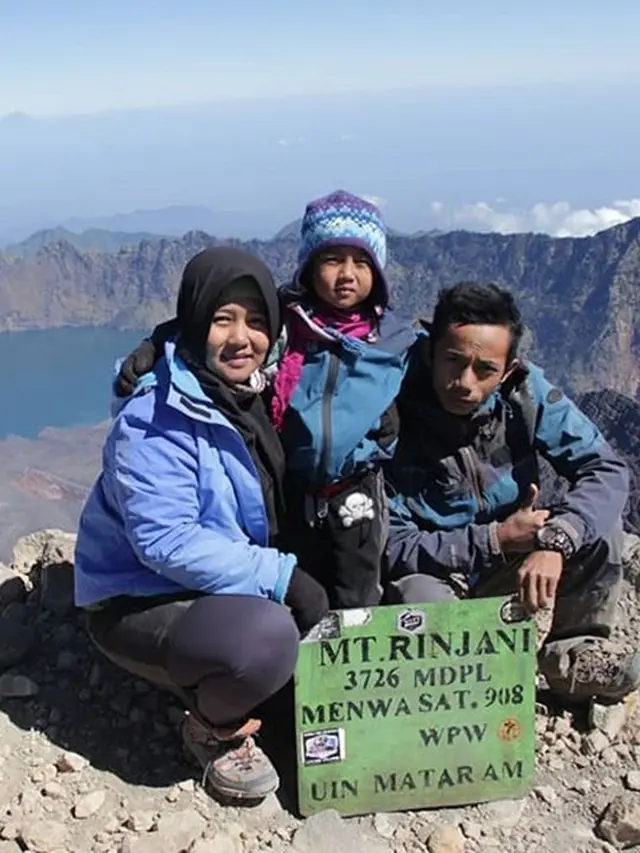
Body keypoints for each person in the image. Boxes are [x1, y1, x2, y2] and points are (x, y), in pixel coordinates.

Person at [74, 247, 329, 801]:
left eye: (257, 320)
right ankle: (212, 729)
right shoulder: (155, 417)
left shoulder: (250, 397)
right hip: (137, 598)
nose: (243, 338)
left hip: (210, 585)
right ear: (194, 322)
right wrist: (281, 576)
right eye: (222, 319)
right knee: (266, 642)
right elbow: (164, 540)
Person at [116, 191, 417, 611]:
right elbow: (209, 315)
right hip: (289, 482)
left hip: (356, 488)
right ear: (309, 266)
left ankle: (351, 666)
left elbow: (459, 373)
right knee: (300, 576)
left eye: (362, 262)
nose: (347, 274)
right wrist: (155, 343)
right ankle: (296, 665)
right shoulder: (283, 320)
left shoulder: (397, 340)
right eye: (332, 260)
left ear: (378, 273)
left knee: (356, 587)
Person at [384, 281, 638, 703]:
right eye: (453, 361)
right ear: (430, 352)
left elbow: (606, 469)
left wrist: (556, 540)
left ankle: (573, 658)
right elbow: (389, 544)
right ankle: (456, 690)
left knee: (601, 524)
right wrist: (494, 539)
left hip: (511, 559)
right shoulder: (391, 406)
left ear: (508, 369)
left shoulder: (524, 393)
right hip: (435, 569)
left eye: (484, 370)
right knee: (419, 599)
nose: (465, 383)